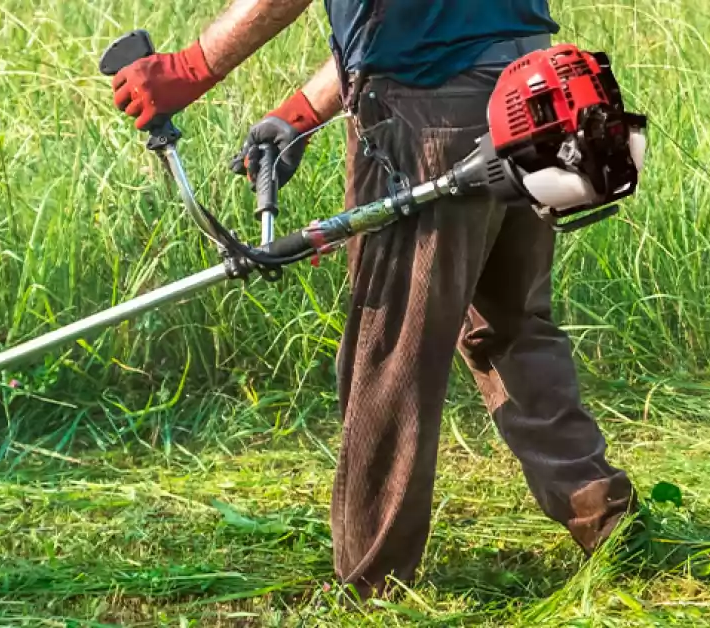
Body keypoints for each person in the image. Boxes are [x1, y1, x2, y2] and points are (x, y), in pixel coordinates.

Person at [109, 0, 639, 600]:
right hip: (532, 91)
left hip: (430, 111)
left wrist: (189, 67)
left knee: (394, 346)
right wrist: (301, 111)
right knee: (512, 327)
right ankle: (607, 519)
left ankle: (373, 585)